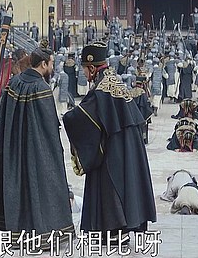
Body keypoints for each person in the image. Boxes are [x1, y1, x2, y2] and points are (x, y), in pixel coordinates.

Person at [63, 40, 156, 242]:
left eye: (85, 69)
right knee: (125, 184)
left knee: (110, 185)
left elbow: (85, 116)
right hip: (126, 146)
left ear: (92, 67)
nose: (84, 73)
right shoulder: (114, 82)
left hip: (113, 149)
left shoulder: (101, 90)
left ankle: (113, 231)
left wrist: (67, 117)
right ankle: (120, 228)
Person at [0, 40, 75, 240]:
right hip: (36, 151)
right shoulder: (42, 88)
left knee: (17, 187)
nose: (52, 68)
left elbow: (3, 120)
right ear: (43, 64)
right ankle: (42, 232)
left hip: (12, 149)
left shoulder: (14, 82)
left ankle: (17, 231)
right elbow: (50, 129)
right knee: (40, 186)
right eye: (51, 63)